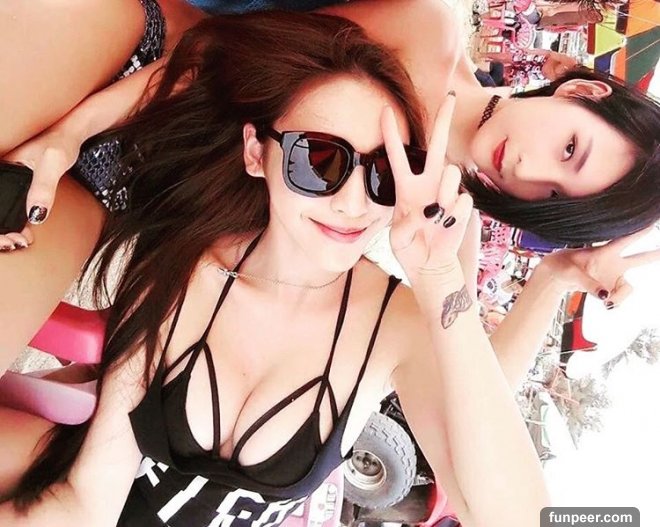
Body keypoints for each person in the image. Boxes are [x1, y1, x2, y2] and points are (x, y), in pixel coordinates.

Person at [0, 12, 550, 526]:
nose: (353, 203)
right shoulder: (184, 267)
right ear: (256, 154)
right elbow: (88, 498)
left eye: (383, 174)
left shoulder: (396, 325)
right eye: (318, 161)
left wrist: (443, 280)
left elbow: (513, 517)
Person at [0, 0, 658, 388]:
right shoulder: (425, 29)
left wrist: (553, 279)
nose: (527, 168)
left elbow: (473, 392)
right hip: (135, 64)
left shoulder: (436, 214)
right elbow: (218, 58)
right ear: (581, 91)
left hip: (116, 188)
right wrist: (68, 136)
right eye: (568, 148)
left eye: (550, 193)